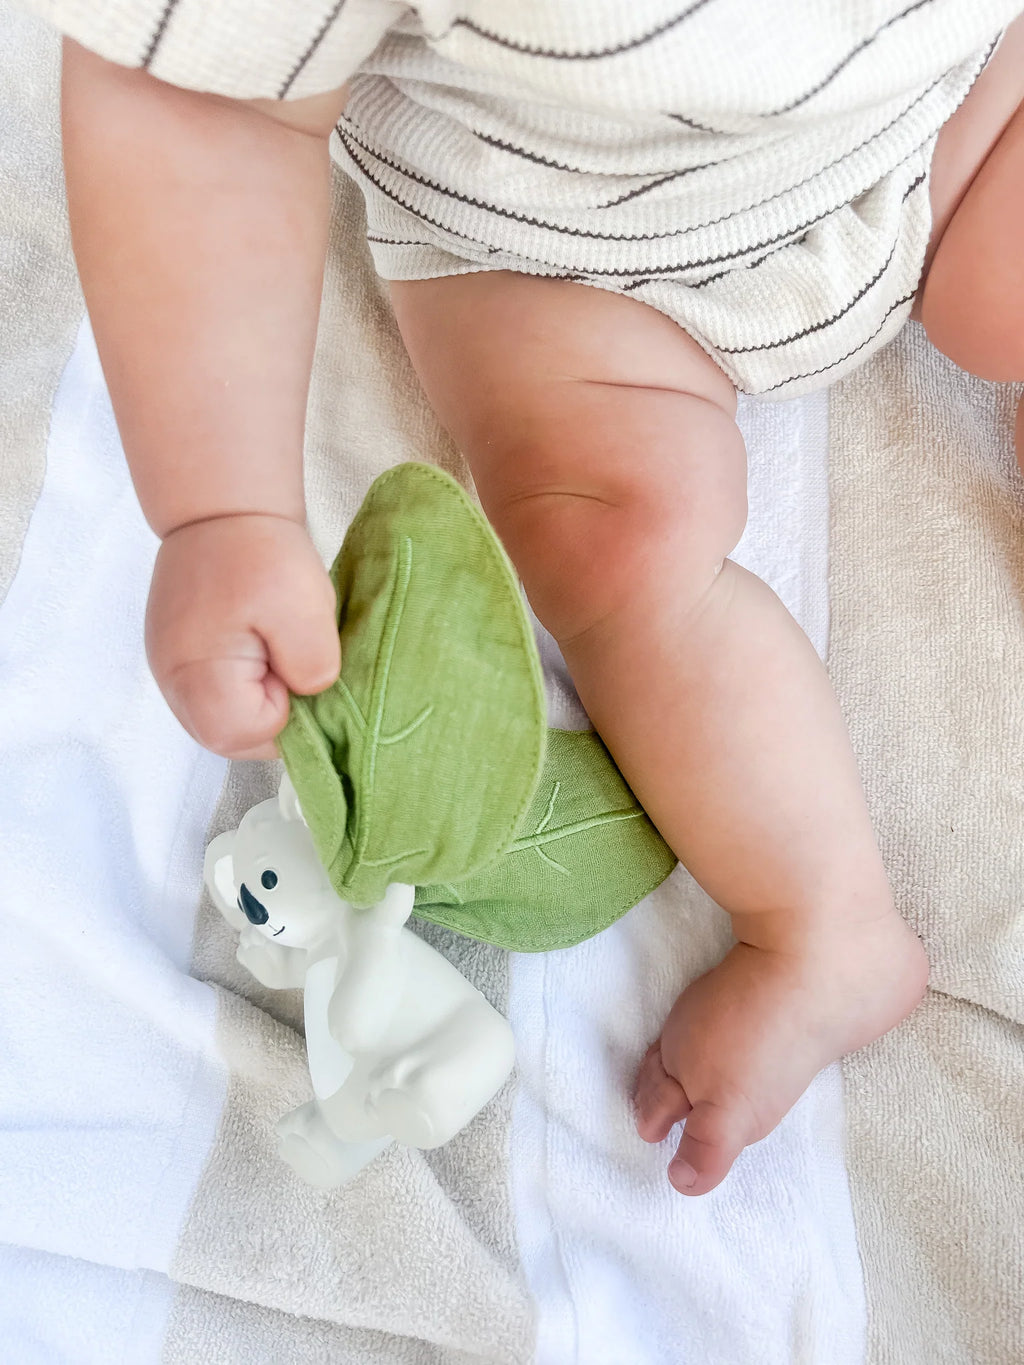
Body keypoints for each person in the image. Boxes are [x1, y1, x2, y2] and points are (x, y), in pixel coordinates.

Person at [32, 0, 1024, 1196]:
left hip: (944, 90)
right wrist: (222, 505)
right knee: (608, 537)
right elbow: (199, 99)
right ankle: (823, 921)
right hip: (560, 248)